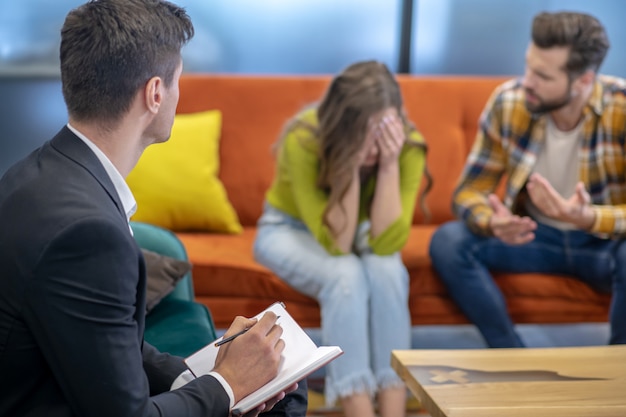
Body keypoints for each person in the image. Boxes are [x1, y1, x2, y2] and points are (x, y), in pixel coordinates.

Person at [0, 1, 307, 416]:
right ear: (155, 93)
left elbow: (101, 334)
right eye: (179, 80)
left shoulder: (36, 172)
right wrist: (229, 384)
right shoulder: (89, 234)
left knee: (280, 386)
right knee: (288, 398)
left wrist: (193, 375)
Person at [429, 11, 626, 348]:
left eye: (542, 75)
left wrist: (589, 216)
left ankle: (617, 371)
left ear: (583, 81)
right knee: (448, 242)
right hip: (534, 237)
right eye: (528, 66)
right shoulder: (510, 102)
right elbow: (469, 191)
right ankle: (514, 357)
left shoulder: (620, 108)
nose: (527, 82)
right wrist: (492, 222)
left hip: (601, 244)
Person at [253, 60, 429, 417]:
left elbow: (385, 244)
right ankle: (358, 409)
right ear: (343, 125)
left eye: (384, 128)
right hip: (288, 228)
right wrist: (349, 160)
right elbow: (337, 244)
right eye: (366, 131)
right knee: (345, 275)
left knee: (388, 271)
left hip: (361, 234)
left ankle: (394, 409)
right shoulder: (304, 138)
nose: (378, 142)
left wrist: (389, 164)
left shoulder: (407, 145)